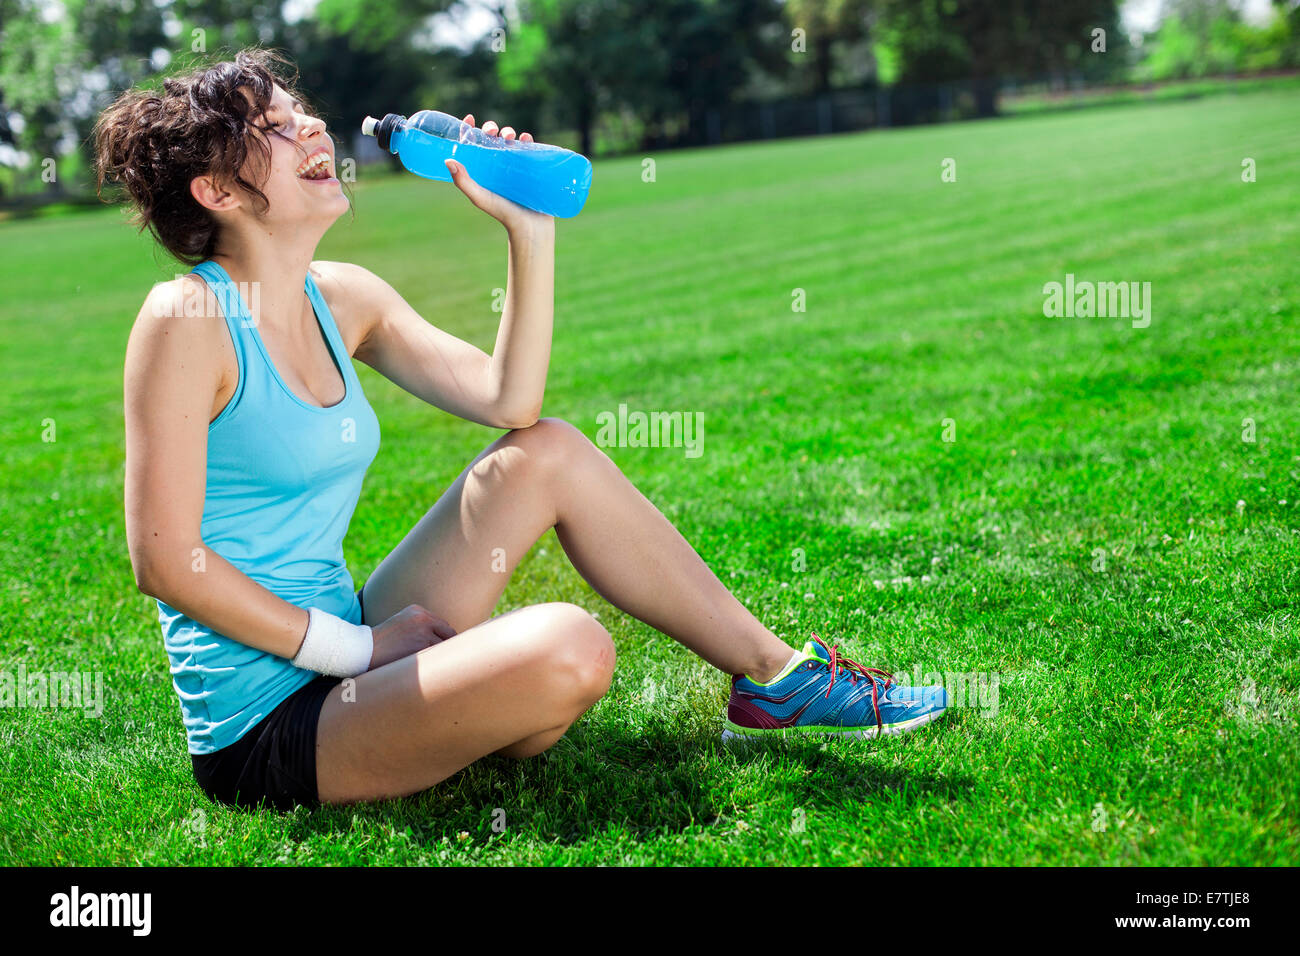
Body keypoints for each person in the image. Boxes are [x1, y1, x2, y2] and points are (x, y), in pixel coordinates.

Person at [98, 48, 948, 812]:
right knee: (570, 648)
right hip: (271, 726)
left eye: (299, 110)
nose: (309, 123)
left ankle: (777, 682)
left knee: (547, 454)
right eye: (273, 127)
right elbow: (166, 562)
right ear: (215, 191)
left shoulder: (343, 295)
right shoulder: (186, 317)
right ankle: (460, 714)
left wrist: (525, 229)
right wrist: (359, 648)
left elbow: (512, 403)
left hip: (356, 645)